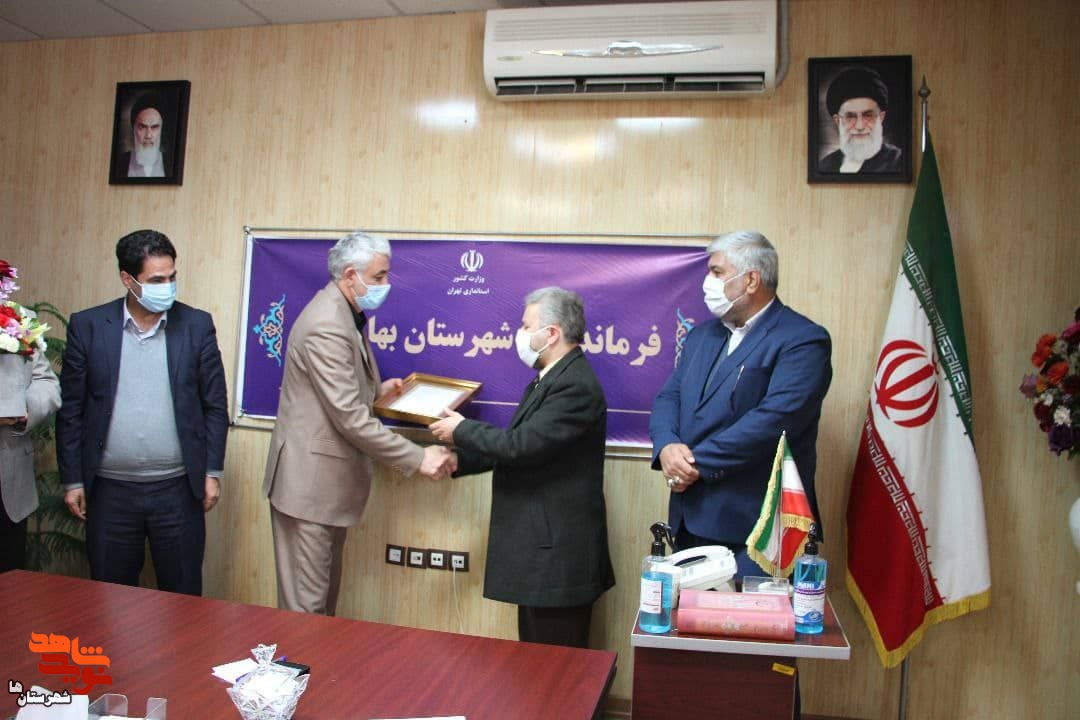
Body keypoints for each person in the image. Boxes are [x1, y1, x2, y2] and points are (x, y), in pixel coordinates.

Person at [263, 232, 456, 616]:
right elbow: (349, 418)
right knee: (306, 614)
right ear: (351, 275)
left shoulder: (343, 313)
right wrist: (419, 458)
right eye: (379, 276)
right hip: (309, 491)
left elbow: (335, 398)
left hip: (324, 491)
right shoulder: (327, 324)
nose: (386, 284)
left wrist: (377, 391)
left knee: (320, 609)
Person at [429, 287, 615, 648]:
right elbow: (519, 444)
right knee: (534, 663)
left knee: (557, 667)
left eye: (526, 326)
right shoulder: (551, 377)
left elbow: (521, 446)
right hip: (540, 553)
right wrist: (459, 459)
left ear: (552, 333)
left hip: (558, 558)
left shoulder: (575, 386)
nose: (520, 334)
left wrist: (461, 430)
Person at [649, 231, 832, 579]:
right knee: (689, 615)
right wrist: (667, 446)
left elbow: (774, 421)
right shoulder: (701, 336)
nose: (707, 282)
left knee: (748, 618)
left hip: (757, 532)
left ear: (751, 280)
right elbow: (668, 398)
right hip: (691, 520)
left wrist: (693, 463)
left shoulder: (803, 340)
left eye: (717, 272)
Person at [57, 229, 228, 595]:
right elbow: (71, 409)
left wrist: (212, 471)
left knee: (182, 595)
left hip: (178, 490)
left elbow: (214, 405)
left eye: (172, 277)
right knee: (110, 597)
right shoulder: (89, 327)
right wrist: (72, 481)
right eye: (156, 280)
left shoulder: (196, 325)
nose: (167, 287)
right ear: (127, 279)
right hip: (109, 492)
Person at [0, 328, 61, 573]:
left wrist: (26, 409)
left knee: (10, 585)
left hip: (10, 491)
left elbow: (46, 382)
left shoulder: (14, 319)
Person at [819, 66, 902, 174]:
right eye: (850, 116)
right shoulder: (825, 166)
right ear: (838, 121)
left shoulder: (897, 162)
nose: (860, 126)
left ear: (881, 117)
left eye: (868, 115)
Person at [120, 93, 170, 178]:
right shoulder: (120, 162)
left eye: (154, 127)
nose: (148, 135)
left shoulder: (171, 162)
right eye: (142, 127)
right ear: (133, 128)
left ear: (161, 129)